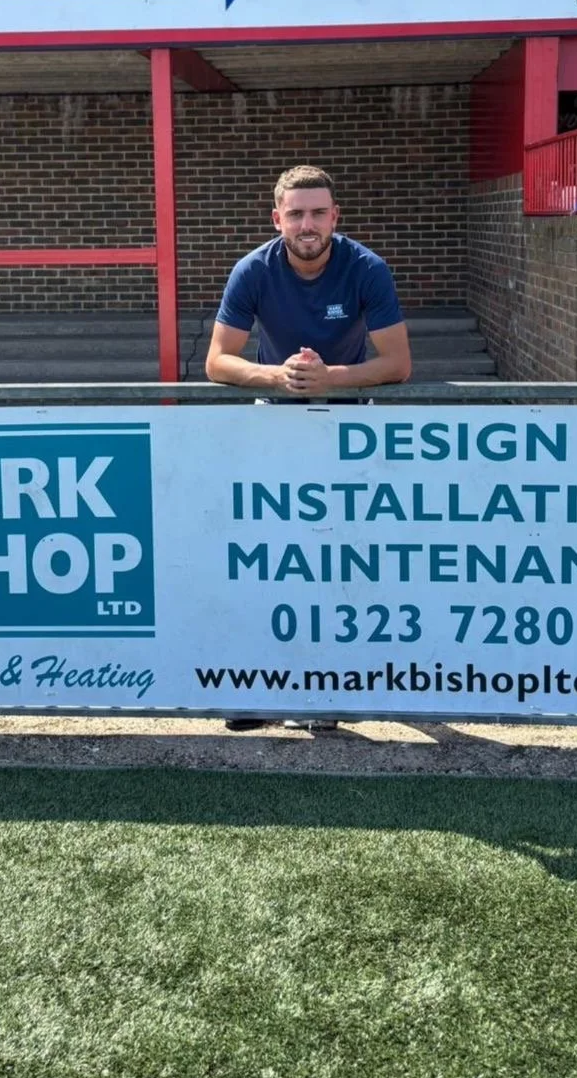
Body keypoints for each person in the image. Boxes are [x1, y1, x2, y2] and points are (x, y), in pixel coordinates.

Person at [205, 164, 412, 733]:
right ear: (277, 219)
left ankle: (331, 688)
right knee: (268, 560)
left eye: (318, 213)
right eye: (295, 214)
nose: (307, 224)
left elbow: (398, 364)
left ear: (335, 217)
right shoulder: (253, 269)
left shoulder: (366, 268)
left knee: (342, 562)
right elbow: (217, 360)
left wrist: (330, 379)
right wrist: (278, 377)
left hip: (349, 424)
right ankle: (261, 686)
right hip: (275, 420)